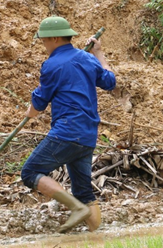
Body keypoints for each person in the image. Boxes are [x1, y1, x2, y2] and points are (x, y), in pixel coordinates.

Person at [21, 17, 116, 233]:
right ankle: (96, 240)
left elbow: (39, 103)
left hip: (67, 132)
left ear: (55, 38)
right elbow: (110, 81)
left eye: (44, 41)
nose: (44, 45)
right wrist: (98, 53)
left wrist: (30, 112)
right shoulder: (87, 59)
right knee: (84, 192)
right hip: (88, 134)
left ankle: (75, 208)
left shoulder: (52, 64)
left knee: (30, 172)